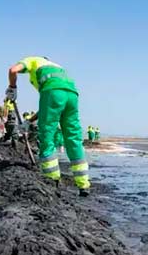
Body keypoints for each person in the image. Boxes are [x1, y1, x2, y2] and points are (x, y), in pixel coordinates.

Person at [5, 56, 90, 196]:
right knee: (74, 138)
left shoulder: (33, 60)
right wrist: (29, 121)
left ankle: (52, 180)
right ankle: (83, 185)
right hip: (72, 95)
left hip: (53, 92)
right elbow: (50, 106)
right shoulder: (57, 67)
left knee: (47, 136)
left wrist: (12, 87)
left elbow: (13, 70)